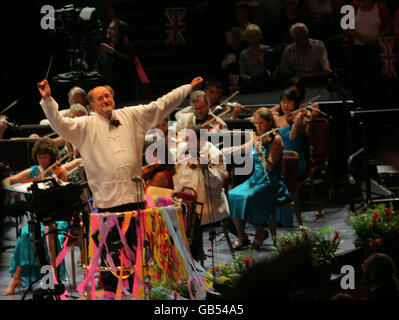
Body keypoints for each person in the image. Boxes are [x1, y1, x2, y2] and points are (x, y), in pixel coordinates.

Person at [38, 76, 202, 292]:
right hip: (106, 204)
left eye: (107, 95)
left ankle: (138, 292)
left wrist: (187, 88)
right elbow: (59, 123)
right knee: (109, 259)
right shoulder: (84, 125)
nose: (106, 99)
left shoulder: (131, 115)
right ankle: (109, 294)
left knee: (137, 253)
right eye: (100, 98)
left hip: (134, 200)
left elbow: (162, 104)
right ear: (92, 105)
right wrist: (49, 99)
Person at [2, 138, 82, 295]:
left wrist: (58, 177)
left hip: (59, 217)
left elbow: (78, 161)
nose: (42, 160)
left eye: (45, 157)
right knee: (25, 234)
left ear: (51, 156)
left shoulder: (59, 170)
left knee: (49, 237)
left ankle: (51, 279)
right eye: (39, 157)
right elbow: (9, 180)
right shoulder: (33, 171)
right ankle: (16, 278)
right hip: (40, 216)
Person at [227, 107, 289, 250]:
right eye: (256, 123)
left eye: (261, 123)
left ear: (269, 123)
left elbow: (271, 167)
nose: (258, 126)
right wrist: (220, 151)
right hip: (255, 179)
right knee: (232, 194)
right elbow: (241, 148)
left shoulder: (276, 139)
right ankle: (241, 235)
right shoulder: (257, 137)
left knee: (251, 196)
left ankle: (260, 231)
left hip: (270, 182)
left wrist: (260, 151)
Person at [173, 125, 230, 226]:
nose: (188, 143)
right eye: (186, 140)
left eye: (191, 140)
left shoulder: (216, 155)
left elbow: (216, 183)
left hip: (207, 206)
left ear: (202, 140)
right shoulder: (182, 148)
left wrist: (205, 169)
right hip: (182, 201)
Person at [345, 0, 392, 107]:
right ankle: (358, 105)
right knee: (357, 79)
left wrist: (376, 37)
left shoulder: (381, 7)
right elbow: (344, 26)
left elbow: (389, 26)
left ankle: (375, 105)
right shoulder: (350, 7)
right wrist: (361, 36)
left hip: (375, 48)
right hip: (356, 48)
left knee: (374, 79)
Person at [96, 19, 137, 102]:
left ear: (120, 32)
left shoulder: (127, 47)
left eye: (112, 29)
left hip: (124, 92)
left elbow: (128, 63)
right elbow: (100, 65)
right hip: (107, 91)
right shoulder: (105, 48)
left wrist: (112, 52)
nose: (108, 30)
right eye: (108, 28)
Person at [239, 24, 276, 93]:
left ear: (260, 36)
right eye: (250, 37)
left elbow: (274, 69)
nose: (253, 39)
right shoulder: (243, 54)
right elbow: (242, 74)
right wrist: (252, 79)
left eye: (255, 36)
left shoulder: (268, 50)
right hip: (253, 84)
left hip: (268, 83)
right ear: (247, 38)